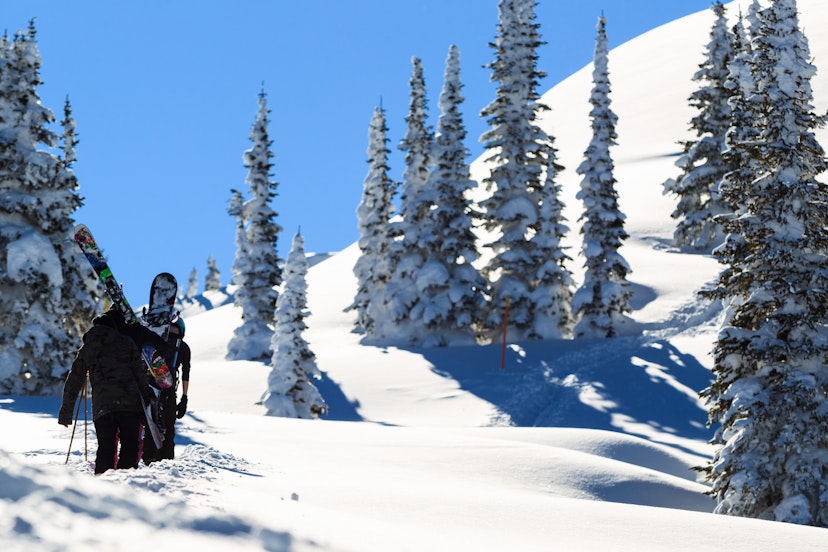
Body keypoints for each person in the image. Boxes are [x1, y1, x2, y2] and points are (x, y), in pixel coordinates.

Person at [58, 308, 156, 475]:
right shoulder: (126, 342)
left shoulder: (88, 347)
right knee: (130, 445)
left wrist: (66, 414)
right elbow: (139, 374)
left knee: (106, 447)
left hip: (103, 407)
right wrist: (148, 398)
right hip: (129, 405)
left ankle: (103, 484)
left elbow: (73, 381)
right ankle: (126, 482)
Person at [143, 315, 191, 463]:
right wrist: (184, 398)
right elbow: (185, 373)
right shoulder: (183, 347)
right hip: (169, 391)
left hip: (150, 388)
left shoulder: (156, 342)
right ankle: (166, 462)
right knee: (168, 429)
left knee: (150, 426)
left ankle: (148, 458)